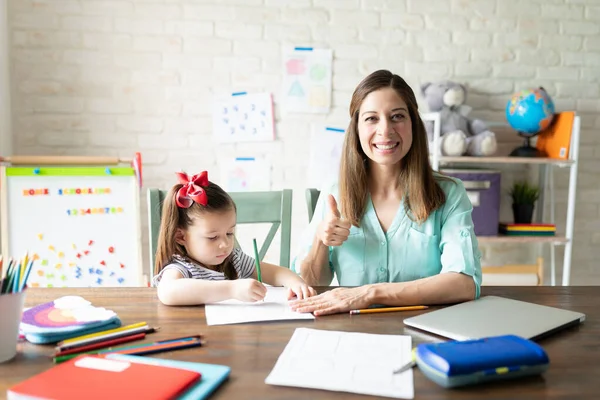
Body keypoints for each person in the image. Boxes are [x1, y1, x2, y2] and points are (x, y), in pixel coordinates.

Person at [289, 69, 482, 316]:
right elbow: (312, 283)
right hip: (354, 331)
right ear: (357, 129)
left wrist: (370, 293)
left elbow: (464, 284)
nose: (385, 130)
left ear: (413, 123)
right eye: (371, 118)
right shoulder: (334, 192)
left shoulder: (449, 193)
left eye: (397, 116)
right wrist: (320, 240)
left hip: (426, 330)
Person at [153, 171, 316, 306]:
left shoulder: (234, 260)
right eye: (212, 237)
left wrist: (296, 283)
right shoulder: (181, 267)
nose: (225, 244)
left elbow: (276, 273)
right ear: (181, 236)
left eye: (230, 233)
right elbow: (168, 292)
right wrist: (232, 289)